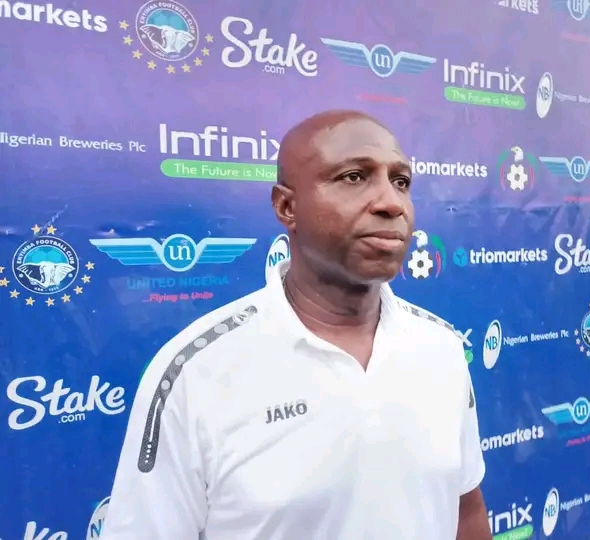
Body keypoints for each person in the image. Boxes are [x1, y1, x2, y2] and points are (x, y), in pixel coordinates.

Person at [102, 110, 492, 540]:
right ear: (287, 206)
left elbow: (466, 512)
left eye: (401, 182)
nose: (391, 203)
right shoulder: (197, 372)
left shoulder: (441, 347)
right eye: (354, 177)